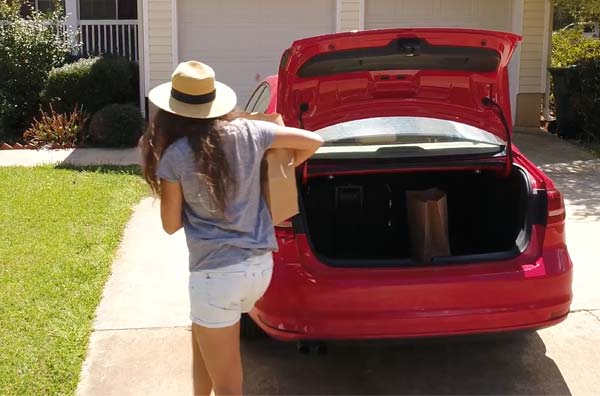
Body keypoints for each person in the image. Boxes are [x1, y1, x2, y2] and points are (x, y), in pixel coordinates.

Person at [140, 60, 323, 396]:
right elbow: (313, 140)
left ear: (171, 111)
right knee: (201, 343)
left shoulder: (176, 156)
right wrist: (272, 170)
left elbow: (169, 225)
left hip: (215, 277)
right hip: (258, 269)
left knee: (228, 386)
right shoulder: (250, 132)